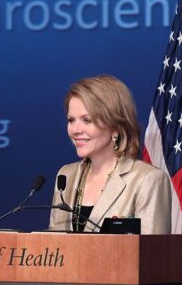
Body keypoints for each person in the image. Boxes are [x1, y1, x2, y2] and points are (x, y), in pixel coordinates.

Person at [48, 75, 171, 234]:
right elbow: (54, 243)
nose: (75, 130)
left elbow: (153, 248)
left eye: (87, 120)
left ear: (115, 126)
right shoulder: (65, 175)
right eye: (71, 120)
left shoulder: (148, 180)